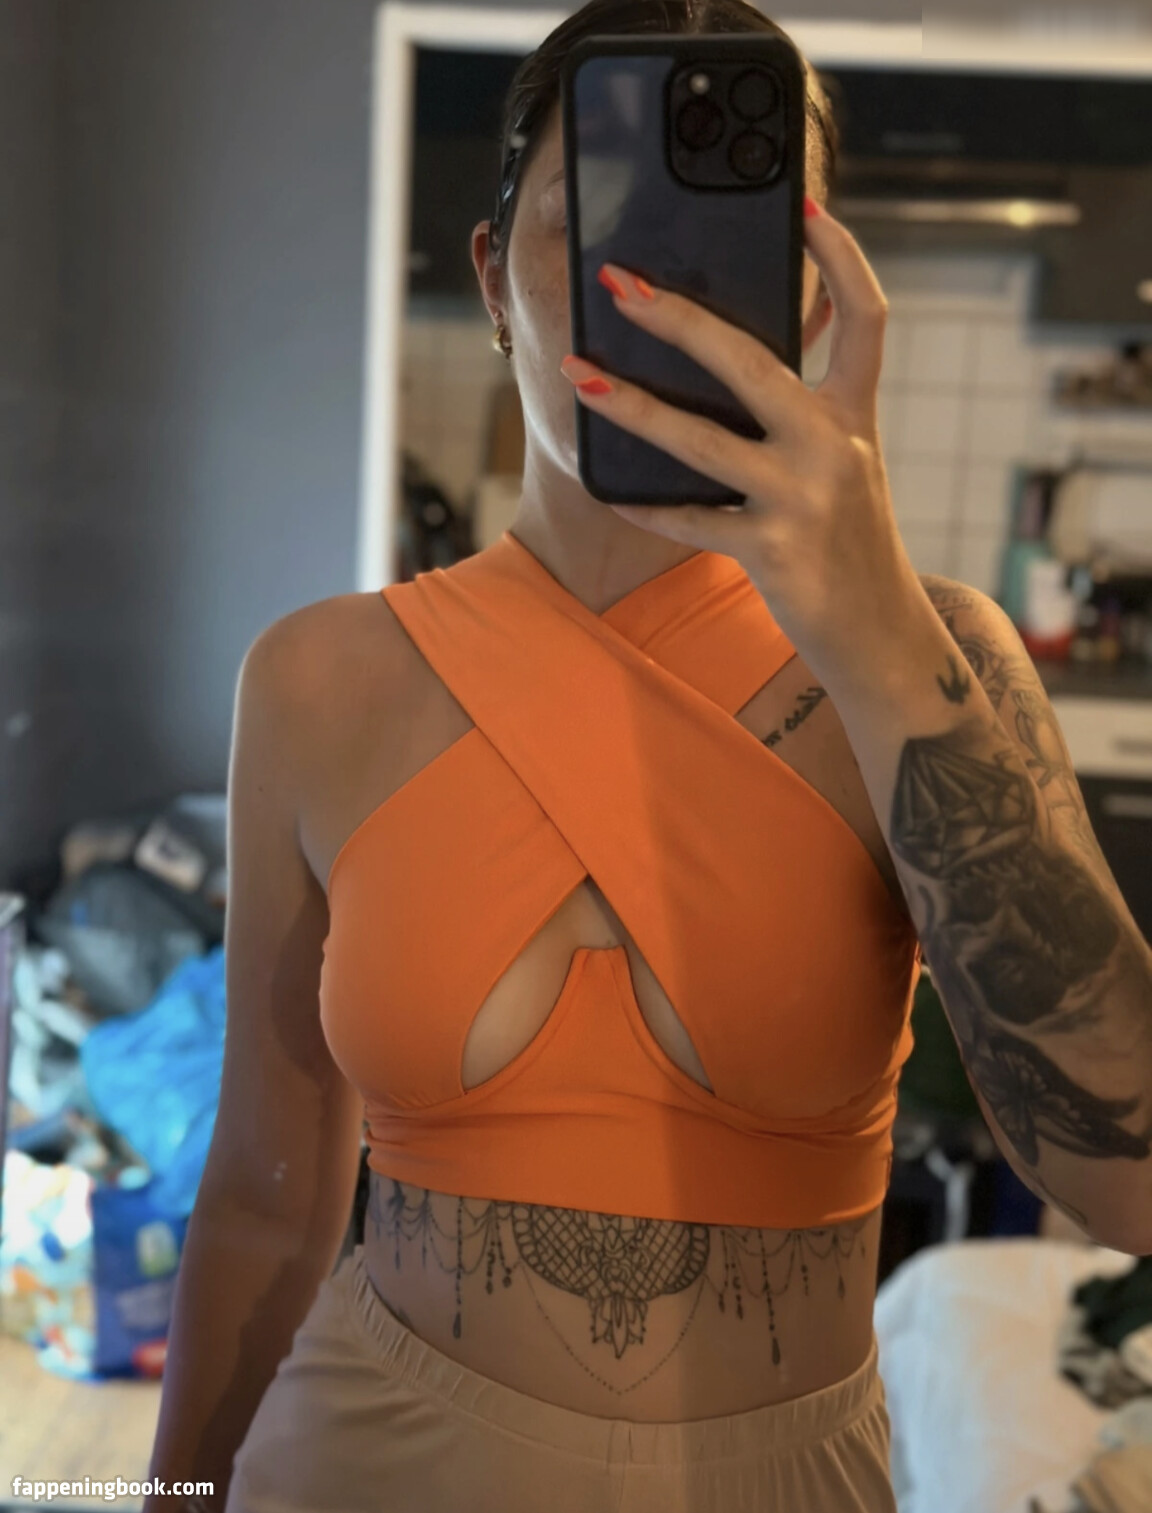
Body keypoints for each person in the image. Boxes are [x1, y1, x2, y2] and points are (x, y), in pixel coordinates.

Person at [146, 3, 927, 1509]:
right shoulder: (317, 684)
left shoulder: (913, 674)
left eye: (724, 239)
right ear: (494, 277)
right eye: (594, 222)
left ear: (814, 303)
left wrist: (881, 621)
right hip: (358, 1462)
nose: (653, 292)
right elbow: (260, 1195)